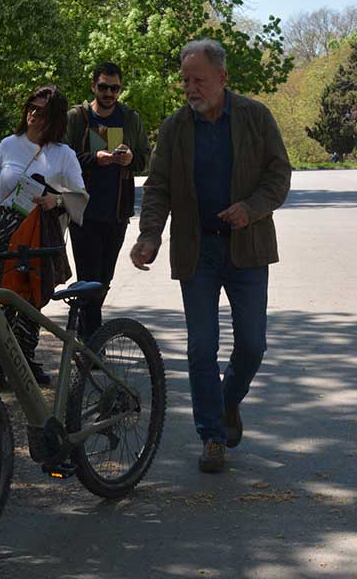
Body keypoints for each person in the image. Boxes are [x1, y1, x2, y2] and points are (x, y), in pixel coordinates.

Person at [130, 39, 292, 473]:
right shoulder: (175, 128)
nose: (190, 89)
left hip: (247, 248)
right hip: (197, 250)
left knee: (253, 345)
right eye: (185, 81)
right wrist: (150, 235)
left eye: (198, 80)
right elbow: (158, 187)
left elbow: (279, 174)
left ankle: (227, 401)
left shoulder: (255, 116)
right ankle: (212, 436)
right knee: (202, 348)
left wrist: (252, 208)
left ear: (222, 77)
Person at [0, 85, 84, 387]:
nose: (33, 114)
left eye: (41, 110)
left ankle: (25, 360)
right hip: (4, 230)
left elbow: (80, 195)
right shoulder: (9, 144)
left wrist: (55, 200)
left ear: (54, 117)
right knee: (0, 296)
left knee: (30, 297)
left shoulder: (63, 154)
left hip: (38, 233)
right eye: (31, 107)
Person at [65, 62, 151, 340]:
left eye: (115, 88)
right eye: (103, 87)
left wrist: (130, 159)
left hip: (116, 213)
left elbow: (146, 157)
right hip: (83, 212)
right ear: (93, 86)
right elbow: (61, 158)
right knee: (89, 278)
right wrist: (94, 159)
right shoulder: (77, 118)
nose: (109, 93)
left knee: (103, 280)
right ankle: (91, 342)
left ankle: (82, 331)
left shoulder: (130, 118)